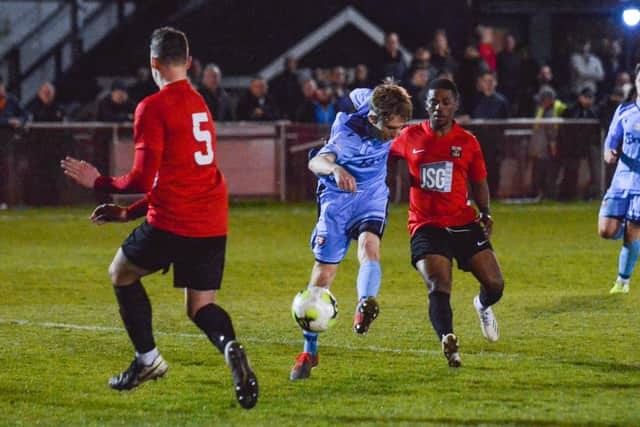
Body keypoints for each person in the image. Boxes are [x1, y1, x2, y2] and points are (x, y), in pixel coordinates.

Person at [60, 27, 258, 409]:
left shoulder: (153, 106)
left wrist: (98, 181)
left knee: (121, 272)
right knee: (201, 308)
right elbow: (173, 176)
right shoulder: (200, 102)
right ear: (188, 61)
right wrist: (128, 213)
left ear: (153, 63)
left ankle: (148, 360)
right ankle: (230, 346)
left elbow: (140, 177)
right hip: (212, 219)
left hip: (173, 220)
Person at [290, 83, 413, 380]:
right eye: (392, 129)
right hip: (337, 204)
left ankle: (364, 303)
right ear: (373, 120)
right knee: (324, 275)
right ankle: (310, 350)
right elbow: (316, 161)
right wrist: (335, 170)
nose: (396, 136)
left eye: (401, 128)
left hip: (371, 197)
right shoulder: (347, 135)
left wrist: (389, 91)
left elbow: (361, 92)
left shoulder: (370, 104)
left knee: (370, 248)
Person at [390, 78, 504, 367]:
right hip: (426, 225)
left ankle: (482, 305)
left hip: (463, 222)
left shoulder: (467, 142)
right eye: (432, 101)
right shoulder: (409, 136)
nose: (438, 107)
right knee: (439, 283)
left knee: (495, 284)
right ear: (425, 104)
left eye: (444, 101)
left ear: (455, 106)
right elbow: (380, 150)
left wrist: (486, 211)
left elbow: (479, 181)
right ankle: (448, 339)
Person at [598, 63, 640, 294]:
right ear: (636, 83)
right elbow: (611, 140)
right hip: (621, 180)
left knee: (633, 230)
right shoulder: (625, 111)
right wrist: (608, 153)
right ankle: (632, 233)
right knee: (606, 230)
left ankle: (622, 282)